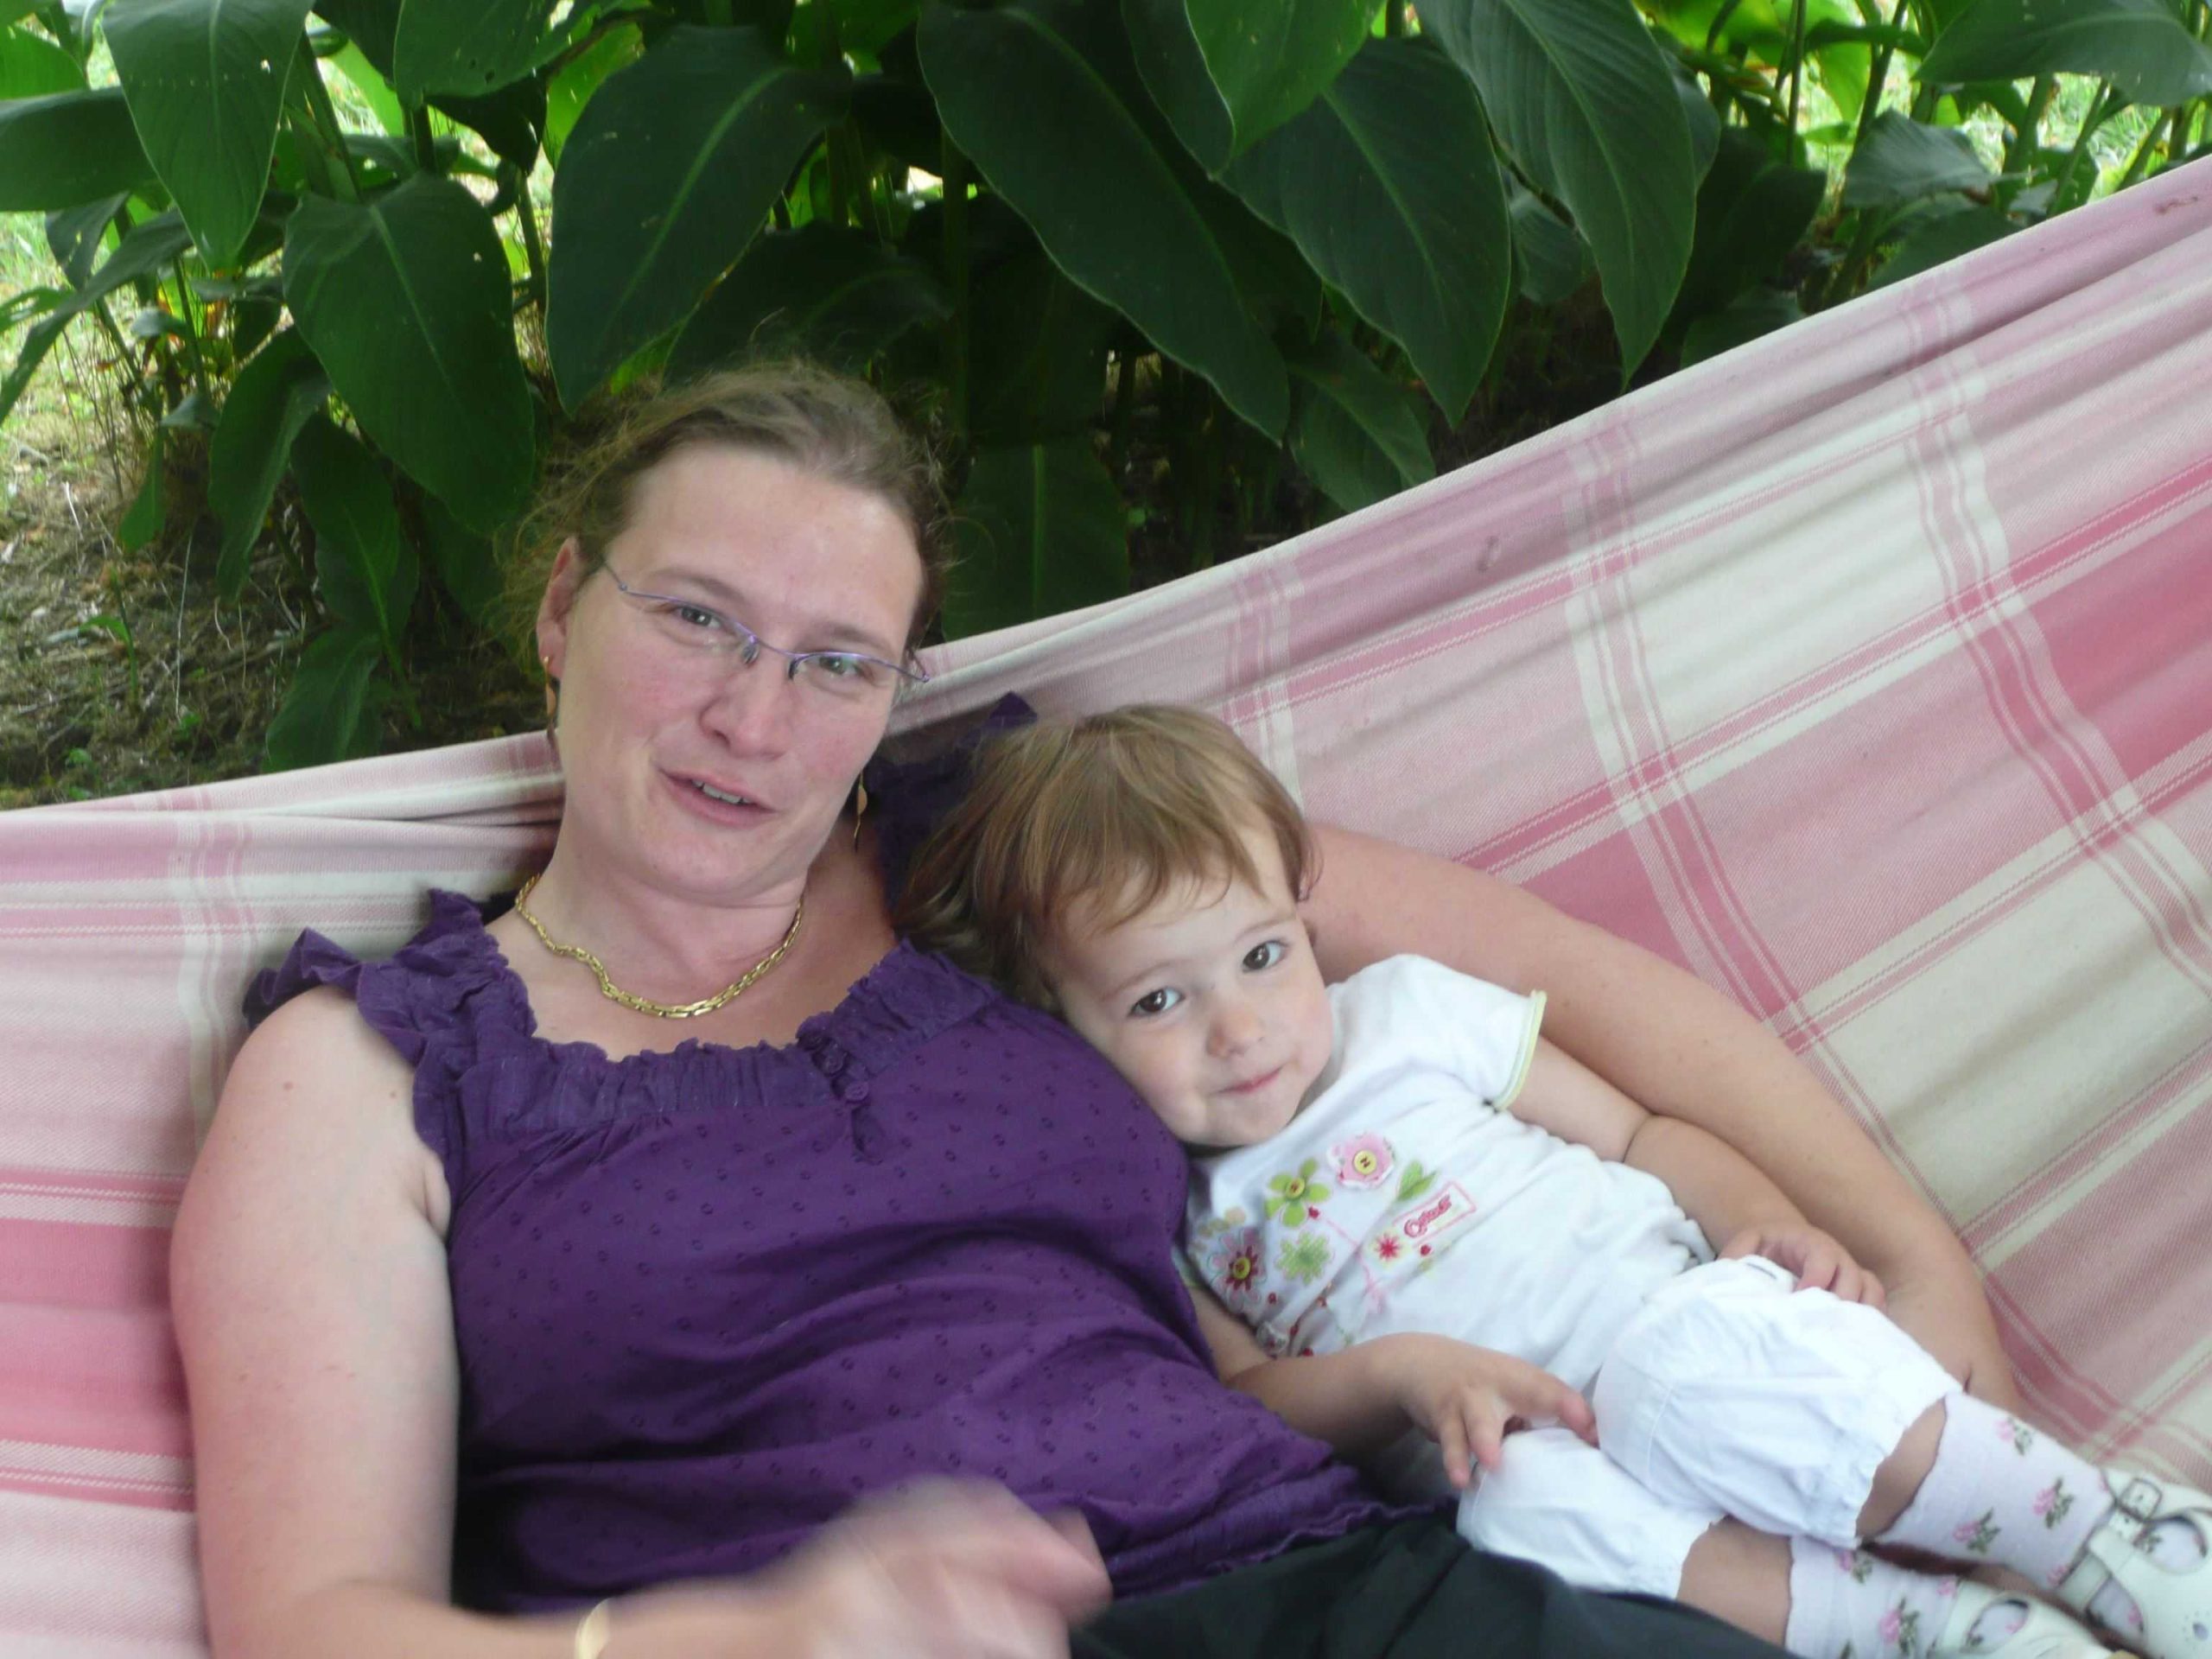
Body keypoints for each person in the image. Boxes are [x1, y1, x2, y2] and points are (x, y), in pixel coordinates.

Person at [173, 362, 2003, 1659]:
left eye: (835, 664)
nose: (753, 717)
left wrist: (1926, 1286)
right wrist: (754, 1637)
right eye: (697, 621)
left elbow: (1569, 990)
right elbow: (311, 1626)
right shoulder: (376, 1068)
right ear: (565, 606)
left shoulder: (1009, 862)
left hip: (1344, 1590)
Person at [895, 702, 2212, 1659]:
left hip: (1654, 1320)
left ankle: (2101, 1533)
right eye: (1159, 1000)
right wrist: (1402, 1376)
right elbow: (1257, 1397)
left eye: (1262, 956)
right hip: (1520, 1443)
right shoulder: (1172, 1206)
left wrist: (1764, 1222)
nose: (1239, 1031)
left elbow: (1640, 1135)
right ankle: (1932, 1631)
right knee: (1519, 1520)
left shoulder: (1406, 1015)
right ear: (1057, 1028)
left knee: (1705, 1370)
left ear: (1304, 913)